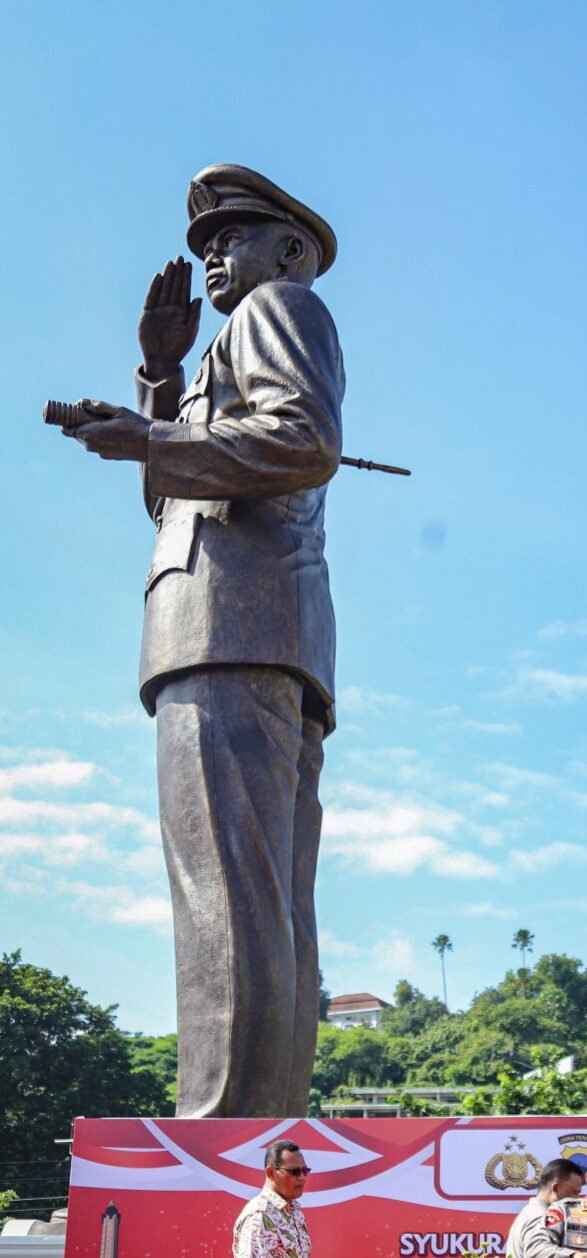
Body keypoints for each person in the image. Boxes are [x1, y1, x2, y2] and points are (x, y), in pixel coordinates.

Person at [62, 164, 345, 1119]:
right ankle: (254, 1124)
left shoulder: (277, 310)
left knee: (224, 892)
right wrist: (159, 383)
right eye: (208, 243)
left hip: (231, 623)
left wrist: (148, 437)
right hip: (243, 629)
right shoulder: (234, 339)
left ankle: (219, 1125)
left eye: (233, 237)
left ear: (289, 251)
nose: (215, 255)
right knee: (255, 895)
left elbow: (302, 440)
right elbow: (173, 494)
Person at [504, 1158, 585, 1258]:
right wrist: (575, 1256)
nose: (577, 1200)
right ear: (556, 1189)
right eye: (575, 1193)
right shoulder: (542, 1216)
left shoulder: (529, 1211)